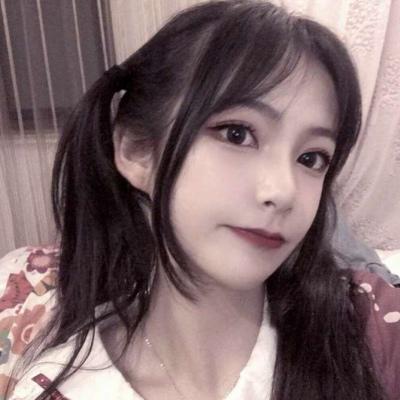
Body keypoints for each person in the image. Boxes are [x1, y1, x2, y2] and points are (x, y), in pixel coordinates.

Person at [0, 1, 399, 399]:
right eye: (237, 134)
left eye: (311, 159)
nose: (283, 192)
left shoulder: (372, 325)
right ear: (137, 149)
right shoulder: (63, 387)